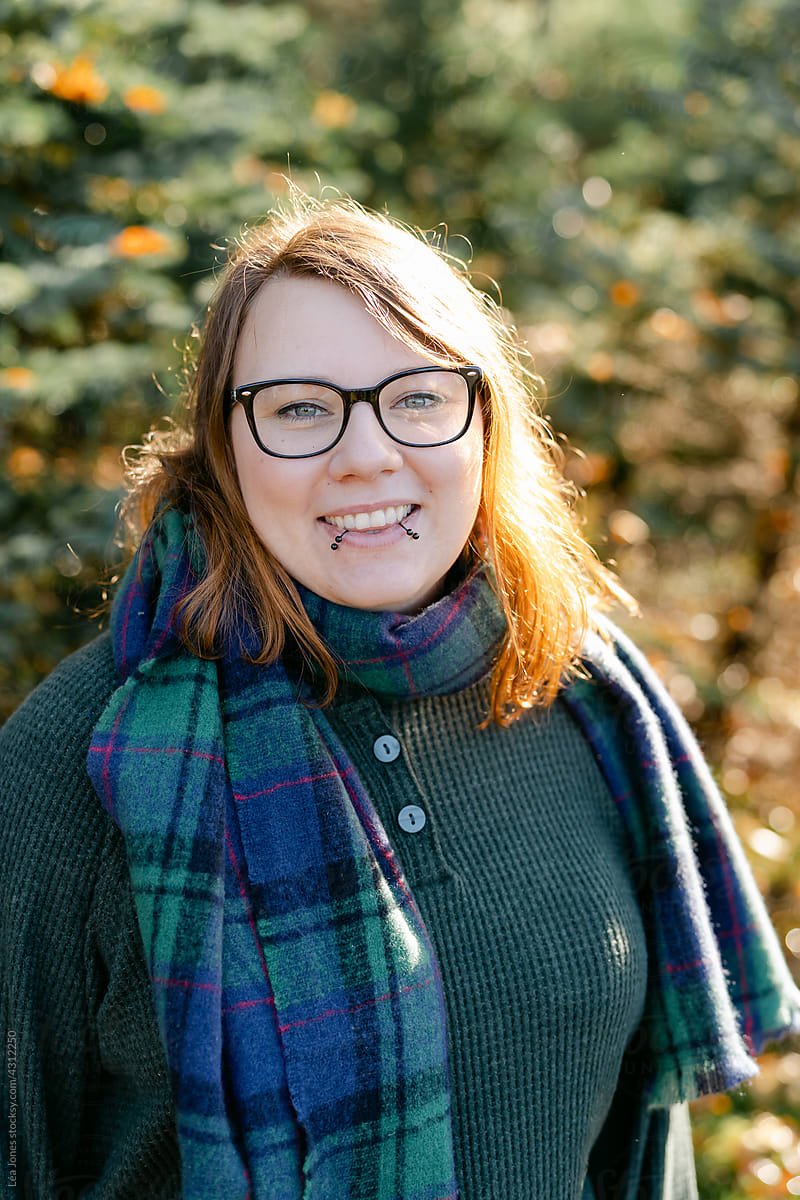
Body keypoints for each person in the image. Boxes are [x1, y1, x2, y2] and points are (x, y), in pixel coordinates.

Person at [1, 194, 798, 1200]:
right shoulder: (81, 760)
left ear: (482, 420)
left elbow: (646, 1160)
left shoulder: (583, 699)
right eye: (298, 407)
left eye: (417, 396)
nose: (367, 454)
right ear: (223, 442)